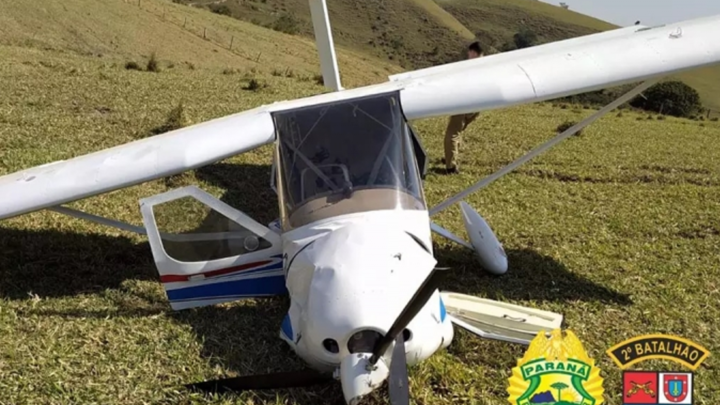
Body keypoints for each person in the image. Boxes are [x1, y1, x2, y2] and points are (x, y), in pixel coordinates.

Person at [443, 41, 484, 174]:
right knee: (459, 131)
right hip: (477, 105)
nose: (468, 55)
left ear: (473, 52)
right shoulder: (487, 66)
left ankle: (450, 166)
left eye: (470, 52)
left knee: (452, 134)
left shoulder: (470, 67)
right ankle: (452, 157)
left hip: (463, 103)